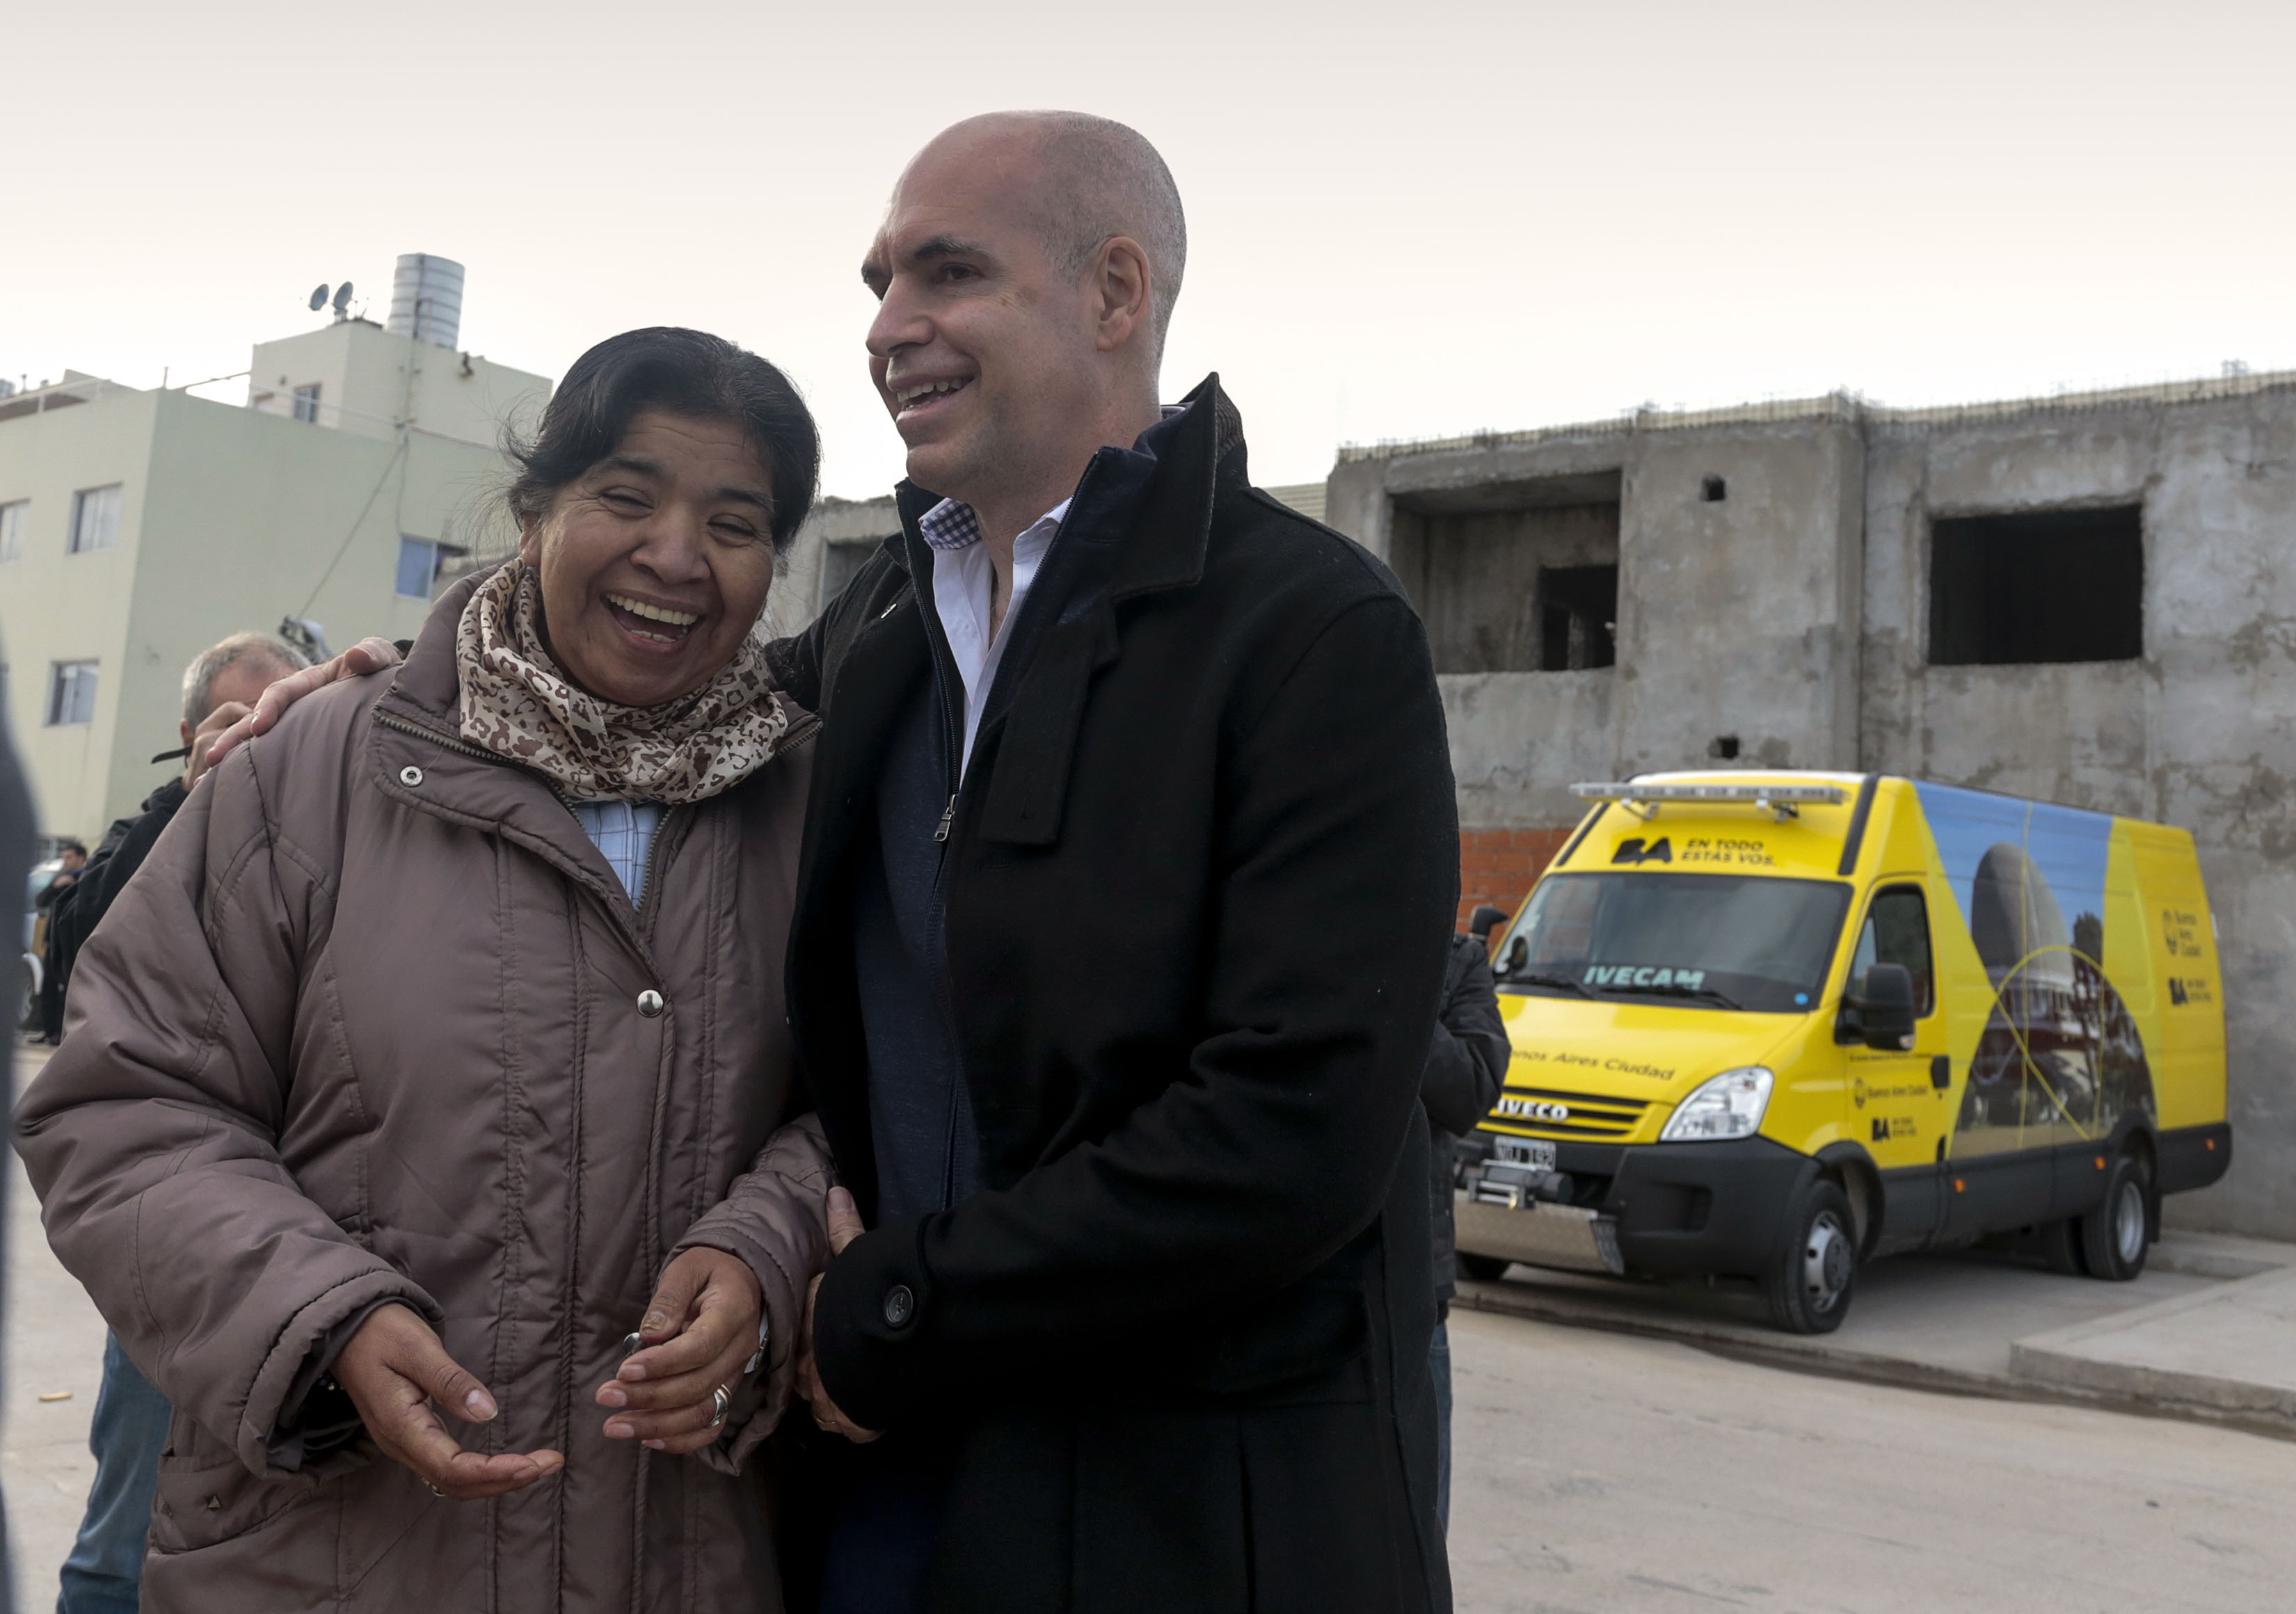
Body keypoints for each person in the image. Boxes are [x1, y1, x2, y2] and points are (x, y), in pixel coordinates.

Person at [213, 111, 1462, 1613]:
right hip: (880, 1469)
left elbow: (1289, 1134)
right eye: (877, 281)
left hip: (1185, 1495)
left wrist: (896, 1302)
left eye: (947, 273)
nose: (887, 327)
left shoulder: (1314, 634)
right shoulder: (877, 633)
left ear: (1116, 293)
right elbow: (617, 678)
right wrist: (398, 680)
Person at [19, 327, 834, 1613]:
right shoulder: (314, 770)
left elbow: (870, 1106)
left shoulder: (809, 805)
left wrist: (769, 1250)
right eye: (626, 497)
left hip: (684, 1556)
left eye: (734, 523)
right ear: (533, 510)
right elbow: (122, 1105)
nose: (675, 556)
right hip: (337, 1558)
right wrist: (317, 1317)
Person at [44, 631, 308, 1614]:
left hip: (310, 1246)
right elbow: (79, 954)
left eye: (288, 712)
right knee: (126, 1537)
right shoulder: (153, 833)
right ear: (192, 734)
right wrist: (188, 809)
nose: (262, 739)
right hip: (175, 1246)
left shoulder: (335, 838)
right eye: (238, 720)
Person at [1419, 921, 1510, 1531]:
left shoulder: (1455, 960)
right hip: (1288, 1278)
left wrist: (1384, 986)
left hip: (1415, 1292)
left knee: (1417, 1522)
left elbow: (1469, 1090)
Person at [32, 841, 86, 1043]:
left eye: (69, 857)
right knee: (48, 986)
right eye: (64, 857)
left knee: (67, 987)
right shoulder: (59, 877)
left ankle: (63, 1034)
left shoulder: (87, 876)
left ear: (81, 858)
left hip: (71, 940)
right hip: (53, 939)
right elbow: (40, 901)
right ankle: (49, 1031)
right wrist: (56, 885)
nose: (66, 862)